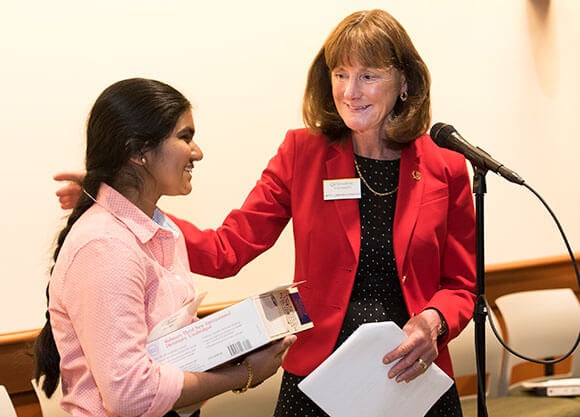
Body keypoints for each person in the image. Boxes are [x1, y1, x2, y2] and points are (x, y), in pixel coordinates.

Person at [54, 9, 476, 417]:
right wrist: (129, 210)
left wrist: (435, 321)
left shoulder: (445, 166)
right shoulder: (303, 154)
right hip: (319, 377)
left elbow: (461, 284)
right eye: (340, 75)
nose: (350, 92)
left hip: (412, 375)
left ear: (404, 81)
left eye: (368, 76)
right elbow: (226, 250)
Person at [35, 77, 296, 417]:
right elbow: (130, 395)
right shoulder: (105, 246)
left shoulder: (161, 231)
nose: (197, 152)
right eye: (185, 137)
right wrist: (242, 374)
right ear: (139, 151)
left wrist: (239, 347)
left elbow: (165, 355)